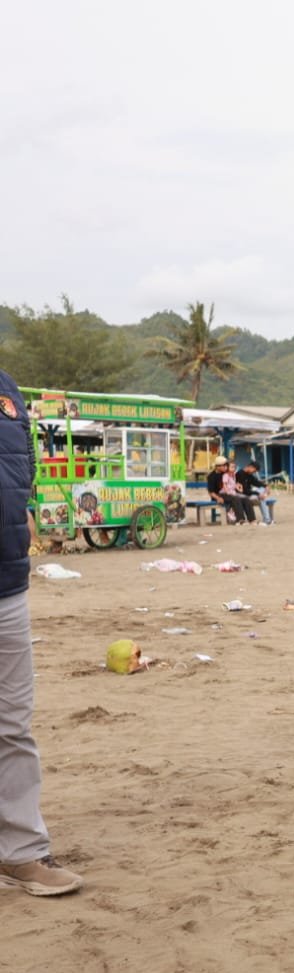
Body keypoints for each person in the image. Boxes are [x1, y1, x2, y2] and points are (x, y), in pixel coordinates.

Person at [0, 365, 84, 897]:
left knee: (14, 724)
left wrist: (24, 503)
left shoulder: (6, 388)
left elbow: (22, 453)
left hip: (8, 581)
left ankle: (21, 852)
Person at [206, 459, 256, 524]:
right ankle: (240, 519)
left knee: (246, 498)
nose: (225, 467)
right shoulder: (211, 476)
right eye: (223, 466)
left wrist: (237, 485)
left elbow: (232, 482)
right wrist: (218, 498)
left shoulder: (227, 473)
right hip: (219, 495)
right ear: (217, 467)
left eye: (225, 465)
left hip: (230, 493)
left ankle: (252, 519)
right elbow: (211, 491)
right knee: (235, 498)